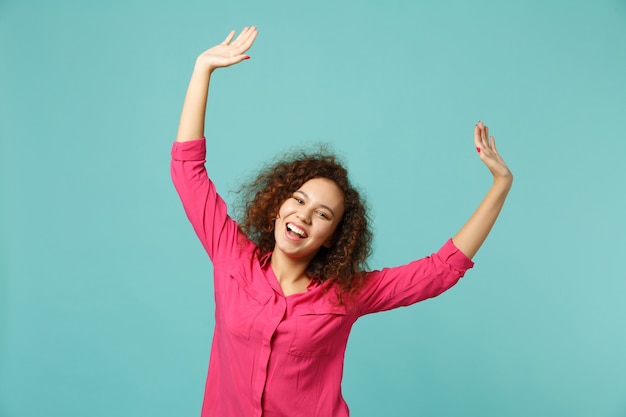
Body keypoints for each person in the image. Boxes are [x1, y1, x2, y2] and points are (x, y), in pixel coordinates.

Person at [171, 26, 513, 417]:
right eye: (298, 200)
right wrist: (202, 70)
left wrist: (500, 185)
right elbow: (188, 172)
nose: (303, 215)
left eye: (322, 214)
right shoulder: (232, 259)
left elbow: (440, 271)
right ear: (278, 206)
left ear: (333, 238)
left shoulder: (346, 294)